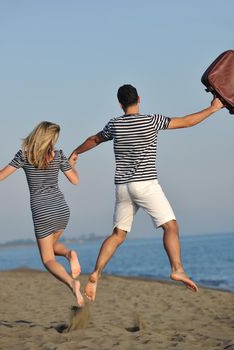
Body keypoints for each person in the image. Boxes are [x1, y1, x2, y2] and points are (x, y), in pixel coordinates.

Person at [70, 84, 224, 301]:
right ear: (139, 99)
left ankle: (96, 272)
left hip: (123, 187)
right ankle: (177, 268)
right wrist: (212, 109)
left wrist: (76, 152)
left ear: (120, 104)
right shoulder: (152, 120)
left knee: (117, 235)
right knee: (170, 226)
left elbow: (94, 139)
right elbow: (187, 121)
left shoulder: (114, 124)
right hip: (145, 184)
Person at [0, 121, 84, 306]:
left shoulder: (24, 156)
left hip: (42, 211)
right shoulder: (58, 156)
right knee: (52, 245)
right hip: (61, 209)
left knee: (47, 259)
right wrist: (72, 164)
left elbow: (0, 177)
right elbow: (75, 180)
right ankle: (70, 253)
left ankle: (72, 283)